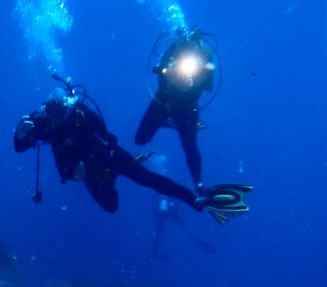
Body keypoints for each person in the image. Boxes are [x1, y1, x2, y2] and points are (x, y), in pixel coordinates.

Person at [15, 85, 251, 224]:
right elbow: (20, 146)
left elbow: (106, 138)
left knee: (149, 179)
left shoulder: (82, 114)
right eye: (53, 114)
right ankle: (109, 179)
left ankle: (196, 201)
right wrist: (19, 133)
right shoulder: (43, 122)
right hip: (89, 175)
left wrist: (86, 162)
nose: (57, 119)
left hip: (109, 156)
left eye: (61, 112)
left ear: (68, 106)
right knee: (111, 206)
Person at [135, 27, 214, 191]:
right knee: (140, 139)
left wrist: (193, 83)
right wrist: (168, 75)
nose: (187, 45)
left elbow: (207, 86)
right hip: (165, 101)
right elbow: (158, 72)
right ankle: (168, 122)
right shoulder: (172, 50)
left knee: (190, 145)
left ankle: (198, 183)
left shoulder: (205, 56)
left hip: (188, 107)